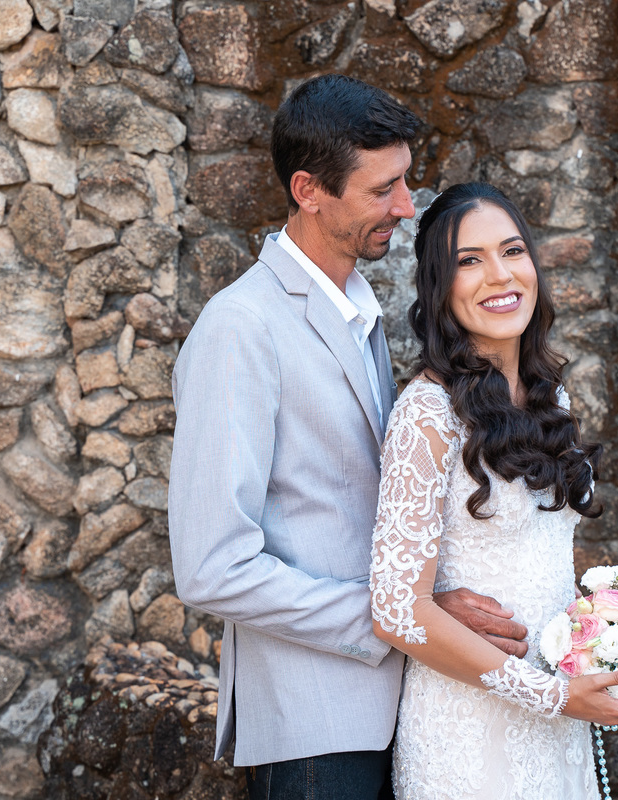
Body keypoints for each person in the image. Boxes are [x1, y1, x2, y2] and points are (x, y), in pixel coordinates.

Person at [169, 76, 531, 800]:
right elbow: (211, 567)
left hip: (394, 714)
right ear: (309, 190)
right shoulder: (240, 328)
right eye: (383, 189)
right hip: (314, 726)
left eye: (404, 183)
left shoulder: (356, 309)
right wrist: (395, 619)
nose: (406, 206)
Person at [369, 183, 618, 799]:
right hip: (467, 734)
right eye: (469, 260)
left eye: (512, 250)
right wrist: (551, 694)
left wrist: (613, 635)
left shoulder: (550, 399)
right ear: (438, 287)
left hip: (561, 725)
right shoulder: (426, 415)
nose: (499, 275)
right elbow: (398, 610)